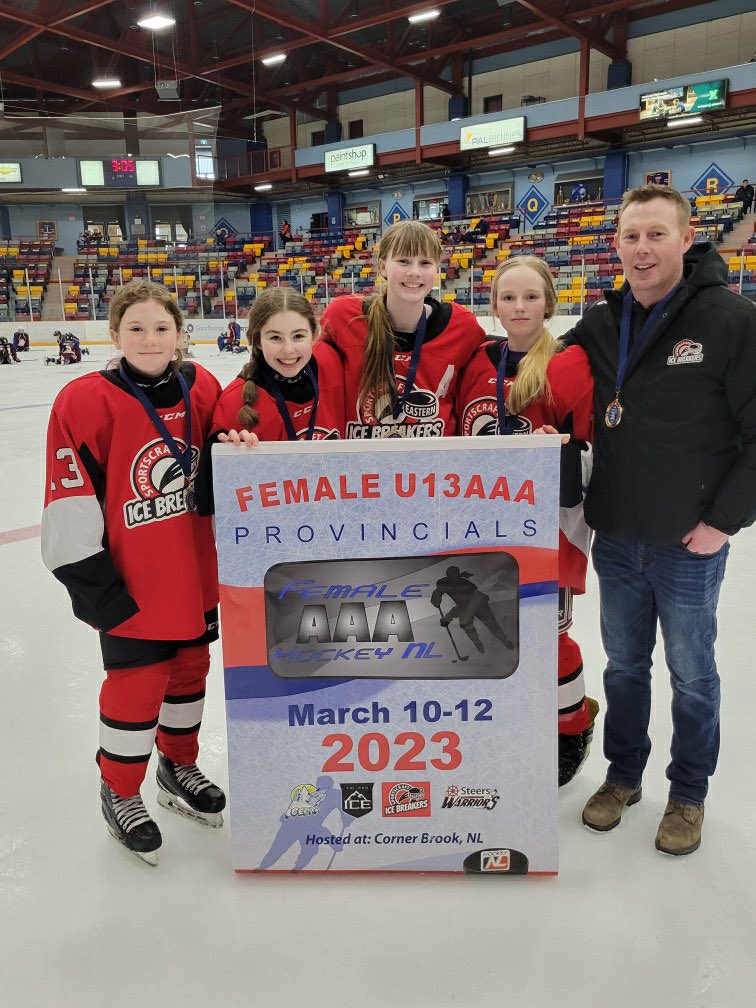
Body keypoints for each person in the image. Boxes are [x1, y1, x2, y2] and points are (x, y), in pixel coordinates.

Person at [563, 184, 756, 855]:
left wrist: (723, 523)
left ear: (686, 238)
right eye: (630, 236)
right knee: (623, 667)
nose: (641, 249)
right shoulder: (602, 320)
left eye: (655, 235)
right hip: (617, 535)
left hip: (688, 541)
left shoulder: (731, 320)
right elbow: (535, 368)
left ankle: (688, 793)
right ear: (615, 244)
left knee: (692, 674)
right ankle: (623, 777)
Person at [41, 279, 225, 866]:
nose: (150, 339)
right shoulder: (83, 402)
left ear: (180, 333)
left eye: (162, 327)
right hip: (134, 584)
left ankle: (177, 766)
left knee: (190, 674)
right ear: (114, 334)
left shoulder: (202, 387)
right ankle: (119, 791)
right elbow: (68, 500)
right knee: (137, 687)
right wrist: (98, 589)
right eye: (136, 328)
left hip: (195, 576)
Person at [456, 255, 599, 786]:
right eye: (508, 297)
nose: (519, 307)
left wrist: (560, 454)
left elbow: (591, 454)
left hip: (546, 533)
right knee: (490, 635)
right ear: (493, 304)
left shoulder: (569, 364)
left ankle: (571, 727)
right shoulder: (477, 361)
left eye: (531, 297)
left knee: (547, 636)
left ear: (549, 304)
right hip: (480, 529)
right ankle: (511, 722)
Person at [320, 219, 486, 439]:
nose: (414, 272)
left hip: (433, 460)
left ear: (437, 269)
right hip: (362, 460)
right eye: (403, 261)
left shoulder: (462, 326)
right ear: (382, 266)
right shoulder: (345, 317)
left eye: (425, 263)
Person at [207, 287, 344, 452]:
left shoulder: (332, 369)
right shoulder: (234, 401)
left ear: (314, 335)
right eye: (275, 338)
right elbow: (214, 466)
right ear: (258, 340)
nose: (288, 349)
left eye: (298, 336)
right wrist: (232, 452)